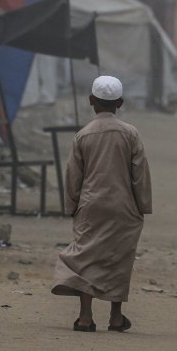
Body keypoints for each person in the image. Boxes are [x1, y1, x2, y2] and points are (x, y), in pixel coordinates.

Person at [53, 76, 152, 332]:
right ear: (120, 102)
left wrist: (71, 205)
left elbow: (73, 176)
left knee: (86, 257)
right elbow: (139, 173)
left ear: (91, 101)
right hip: (124, 206)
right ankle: (116, 317)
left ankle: (85, 317)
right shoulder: (130, 133)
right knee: (119, 258)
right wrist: (142, 205)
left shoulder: (82, 136)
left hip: (91, 206)